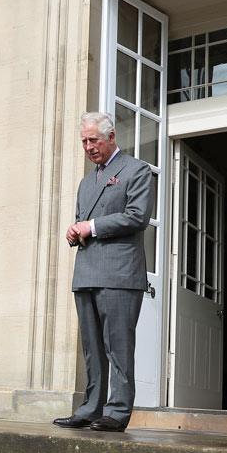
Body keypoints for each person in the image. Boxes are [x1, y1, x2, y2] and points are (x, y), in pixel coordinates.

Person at [54, 112, 153, 432]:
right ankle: (91, 407)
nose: (88, 146)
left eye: (93, 140)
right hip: (86, 273)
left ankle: (118, 410)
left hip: (120, 274)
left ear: (112, 138)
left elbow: (137, 217)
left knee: (118, 346)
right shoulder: (86, 182)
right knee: (92, 348)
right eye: (84, 141)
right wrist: (75, 231)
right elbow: (84, 222)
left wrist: (91, 226)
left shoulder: (136, 170)